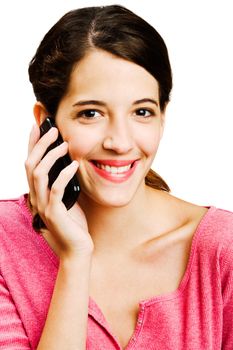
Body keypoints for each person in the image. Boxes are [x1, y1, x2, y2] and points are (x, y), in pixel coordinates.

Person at [0, 4, 232, 350]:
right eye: (91, 113)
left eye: (142, 112)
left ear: (162, 116)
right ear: (46, 122)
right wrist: (76, 259)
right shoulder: (5, 246)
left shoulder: (221, 251)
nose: (120, 142)